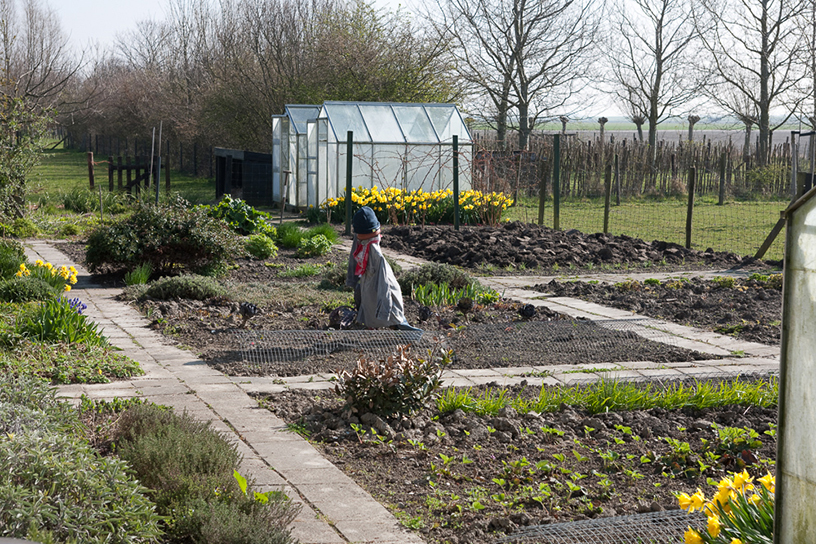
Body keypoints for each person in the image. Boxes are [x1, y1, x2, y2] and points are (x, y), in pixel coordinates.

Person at [345, 206, 421, 332]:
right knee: (381, 298)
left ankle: (390, 322)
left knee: (370, 297)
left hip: (375, 291)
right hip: (377, 292)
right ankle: (396, 322)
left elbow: (383, 285)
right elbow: (383, 284)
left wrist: (352, 282)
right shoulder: (372, 251)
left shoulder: (368, 250)